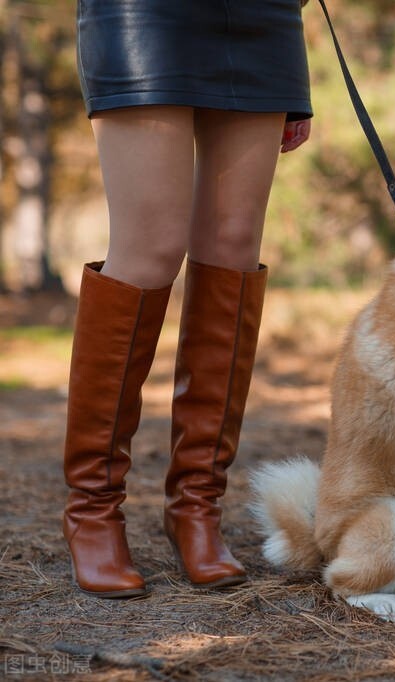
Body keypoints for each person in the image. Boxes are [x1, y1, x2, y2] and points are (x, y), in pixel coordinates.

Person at [63, 1, 313, 598]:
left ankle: (196, 506)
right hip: (144, 12)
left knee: (232, 247)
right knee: (149, 248)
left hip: (262, 14)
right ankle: (93, 510)